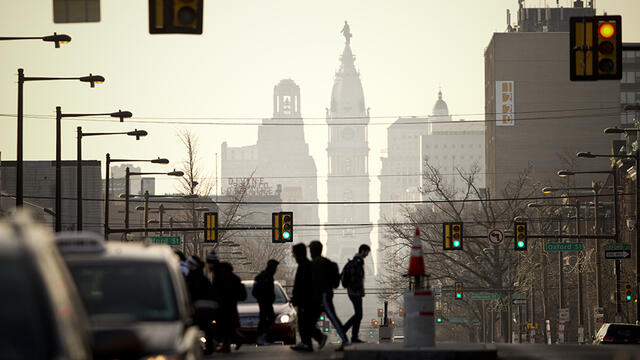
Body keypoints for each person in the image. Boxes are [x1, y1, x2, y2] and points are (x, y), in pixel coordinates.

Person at [309, 240, 350, 350]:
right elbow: (336, 284)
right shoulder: (329, 263)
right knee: (310, 321)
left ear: (313, 251)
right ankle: (320, 338)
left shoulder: (315, 264)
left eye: (311, 250)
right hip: (321, 296)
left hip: (323, 296)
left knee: (333, 319)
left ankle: (345, 341)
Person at [290, 243, 326, 352]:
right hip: (306, 301)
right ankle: (307, 343)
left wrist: (297, 298)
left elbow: (303, 286)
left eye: (294, 254)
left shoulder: (305, 266)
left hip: (307, 302)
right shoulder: (305, 265)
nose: (294, 257)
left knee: (305, 324)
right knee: (304, 324)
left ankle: (317, 338)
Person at [211, 261, 246, 352]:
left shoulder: (219, 278)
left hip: (222, 306)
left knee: (224, 327)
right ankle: (232, 342)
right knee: (229, 327)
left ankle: (227, 345)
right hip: (231, 306)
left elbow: (215, 292)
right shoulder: (235, 278)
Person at [185, 255, 216, 354]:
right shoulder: (203, 278)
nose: (187, 265)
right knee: (206, 329)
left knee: (195, 330)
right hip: (205, 309)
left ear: (194, 265)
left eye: (189, 263)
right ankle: (209, 347)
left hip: (198, 309)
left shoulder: (192, 278)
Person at [342, 244, 370, 343]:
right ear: (363, 251)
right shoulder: (358, 262)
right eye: (367, 252)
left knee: (358, 314)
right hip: (355, 292)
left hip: (353, 292)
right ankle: (345, 330)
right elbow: (356, 279)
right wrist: (359, 290)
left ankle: (353, 336)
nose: (367, 254)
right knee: (359, 314)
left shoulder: (356, 261)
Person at [253, 259, 279, 345]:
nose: (276, 270)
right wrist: (262, 297)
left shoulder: (267, 276)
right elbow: (258, 290)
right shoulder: (265, 276)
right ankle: (260, 336)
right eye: (275, 268)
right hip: (264, 301)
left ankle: (262, 336)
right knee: (265, 318)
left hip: (266, 301)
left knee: (267, 318)